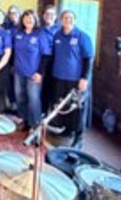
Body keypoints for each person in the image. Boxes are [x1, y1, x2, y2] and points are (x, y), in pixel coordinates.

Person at [48, 10, 93, 146]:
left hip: (75, 79)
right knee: (63, 105)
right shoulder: (57, 35)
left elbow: (88, 59)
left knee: (77, 108)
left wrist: (84, 78)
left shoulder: (82, 36)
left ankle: (78, 138)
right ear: (61, 20)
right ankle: (67, 130)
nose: (68, 20)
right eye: (65, 18)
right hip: (59, 77)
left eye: (71, 18)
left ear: (75, 19)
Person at [12, 10, 51, 131]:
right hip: (19, 72)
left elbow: (45, 55)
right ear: (22, 20)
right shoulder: (18, 33)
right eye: (26, 18)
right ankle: (25, 121)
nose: (28, 21)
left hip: (33, 74)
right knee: (20, 97)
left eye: (31, 19)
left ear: (35, 21)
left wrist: (40, 72)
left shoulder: (40, 34)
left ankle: (36, 127)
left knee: (33, 100)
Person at [40, 5, 60, 113]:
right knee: (44, 90)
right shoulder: (40, 30)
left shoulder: (60, 30)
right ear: (43, 16)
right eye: (47, 14)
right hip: (42, 62)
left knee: (54, 91)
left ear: (56, 16)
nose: (49, 16)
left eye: (51, 14)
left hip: (55, 62)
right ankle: (43, 113)